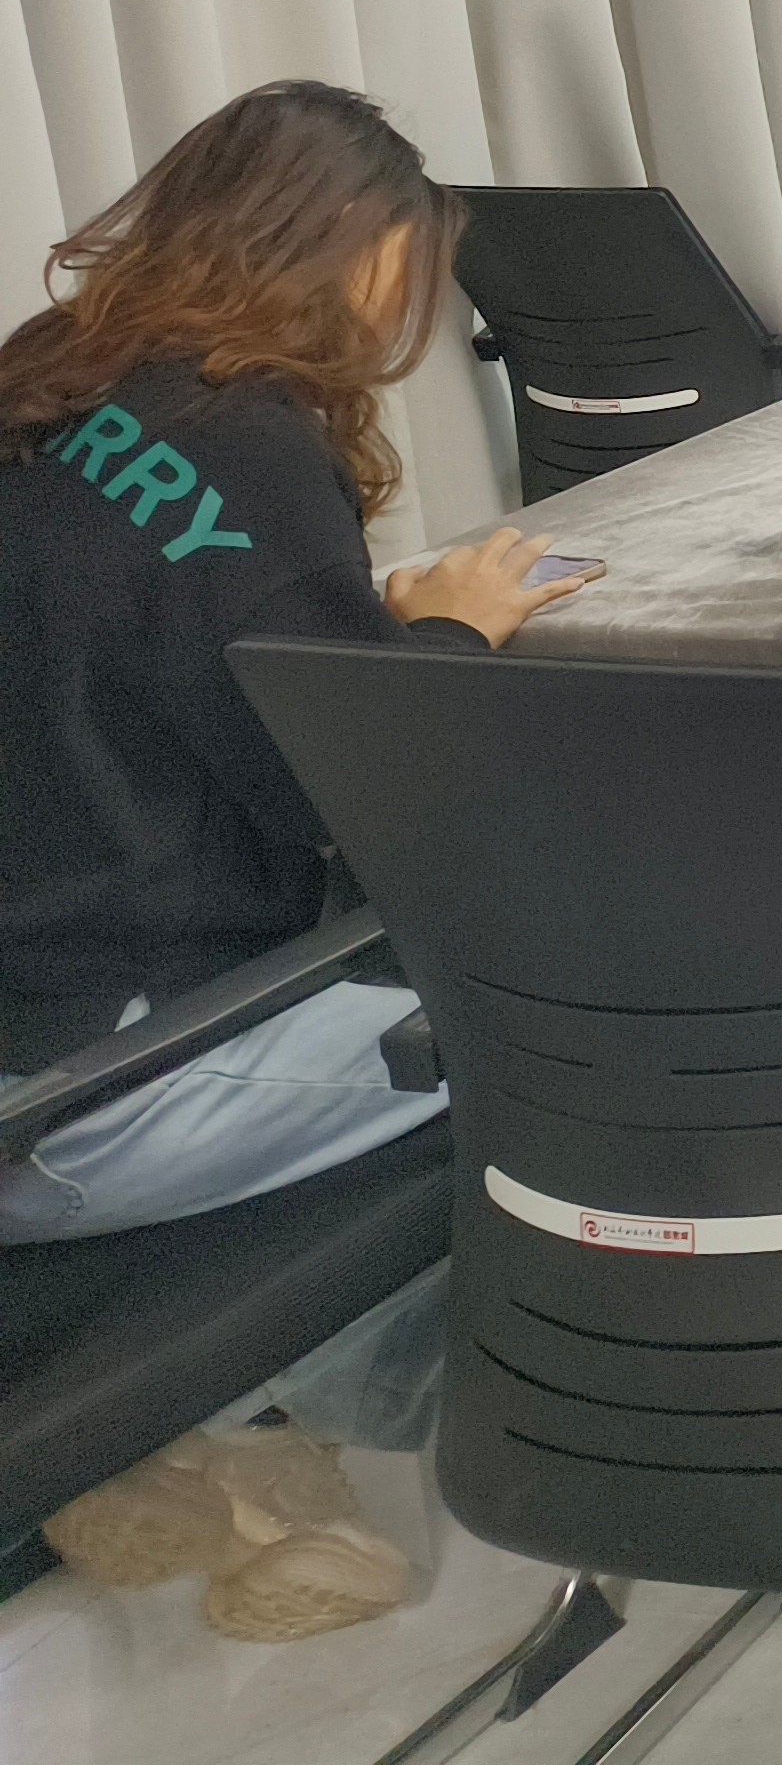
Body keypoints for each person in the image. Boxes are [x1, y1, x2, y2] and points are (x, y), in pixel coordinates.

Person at [1, 83, 595, 1640]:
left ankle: (204, 1449)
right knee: (546, 1051)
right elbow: (359, 796)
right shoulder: (247, 444)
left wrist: (351, 628)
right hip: (89, 1091)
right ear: (368, 251)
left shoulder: (38, 391)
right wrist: (451, 637)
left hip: (32, 1048)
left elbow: (116, 659)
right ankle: (295, 1459)